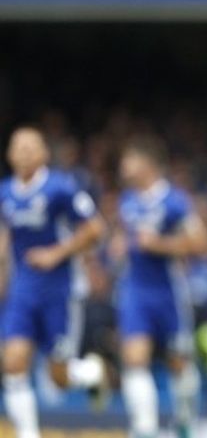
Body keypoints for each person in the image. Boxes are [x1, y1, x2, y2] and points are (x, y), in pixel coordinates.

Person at [0, 126, 110, 438]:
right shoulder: (5, 192)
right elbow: (7, 236)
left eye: (29, 147)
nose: (22, 152)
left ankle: (91, 372)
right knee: (13, 361)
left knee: (57, 376)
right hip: (23, 289)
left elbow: (95, 229)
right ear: (8, 154)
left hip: (59, 289)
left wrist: (56, 253)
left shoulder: (61, 188)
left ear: (44, 154)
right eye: (17, 147)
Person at [115, 134, 207, 438]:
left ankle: (185, 422)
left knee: (179, 362)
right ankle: (144, 428)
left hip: (168, 291)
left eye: (129, 160)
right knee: (135, 359)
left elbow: (200, 242)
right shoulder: (126, 201)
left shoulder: (174, 201)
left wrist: (160, 245)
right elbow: (124, 239)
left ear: (146, 163)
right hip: (135, 291)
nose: (123, 167)